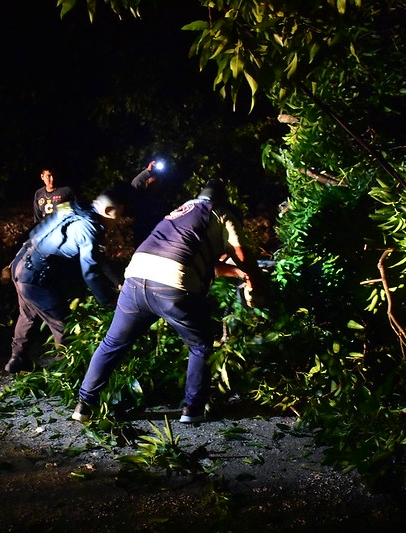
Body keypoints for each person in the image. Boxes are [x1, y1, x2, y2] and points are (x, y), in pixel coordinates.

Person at [71, 178, 266, 423]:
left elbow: (198, 259)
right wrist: (256, 281)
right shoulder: (221, 214)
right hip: (171, 285)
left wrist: (238, 273)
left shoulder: (179, 212)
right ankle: (192, 409)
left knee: (112, 343)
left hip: (135, 278)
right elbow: (242, 256)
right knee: (201, 344)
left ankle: (83, 405)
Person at [3, 185, 128, 373]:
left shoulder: (75, 208)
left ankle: (17, 358)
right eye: (119, 215)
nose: (119, 221)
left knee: (28, 314)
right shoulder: (90, 228)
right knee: (64, 325)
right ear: (109, 211)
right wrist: (109, 302)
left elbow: (98, 257)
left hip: (21, 265)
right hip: (36, 277)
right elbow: (90, 272)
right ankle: (67, 370)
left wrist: (116, 281)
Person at [129, 160, 168, 246]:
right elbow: (134, 185)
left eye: (158, 180)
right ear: (147, 182)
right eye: (154, 179)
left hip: (154, 236)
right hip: (139, 234)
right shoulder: (140, 195)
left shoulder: (159, 200)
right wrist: (148, 171)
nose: (157, 181)